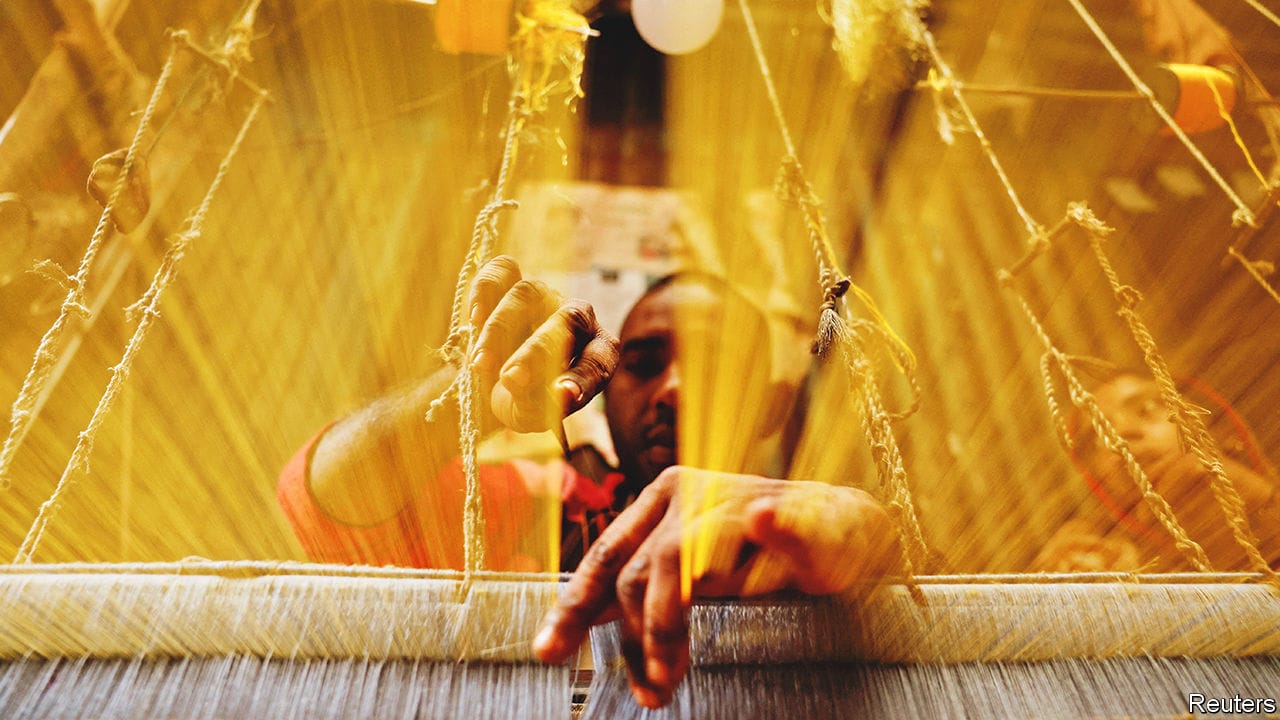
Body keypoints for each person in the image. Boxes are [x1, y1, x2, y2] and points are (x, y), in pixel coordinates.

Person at [278, 255, 901, 708]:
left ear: (768, 409)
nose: (677, 390)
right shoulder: (538, 501)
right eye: (646, 364)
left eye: (714, 369)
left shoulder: (797, 535)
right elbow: (324, 501)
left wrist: (862, 523)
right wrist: (469, 391)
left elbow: (896, 578)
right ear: (607, 393)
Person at [1032, 368, 1280, 573]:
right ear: (1107, 493)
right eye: (1098, 437)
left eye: (1146, 409)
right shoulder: (1123, 575)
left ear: (1218, 429)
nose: (1120, 436)